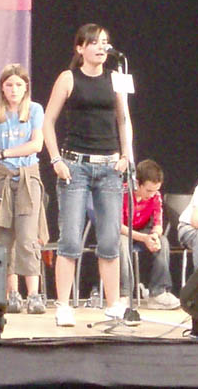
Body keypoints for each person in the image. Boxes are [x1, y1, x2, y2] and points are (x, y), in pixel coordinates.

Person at [43, 23, 131, 327]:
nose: (101, 47)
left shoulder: (116, 78)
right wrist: (56, 159)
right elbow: (48, 121)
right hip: (75, 165)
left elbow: (124, 120)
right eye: (94, 42)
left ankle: (114, 305)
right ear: (80, 48)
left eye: (105, 42)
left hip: (109, 167)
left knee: (110, 239)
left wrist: (126, 155)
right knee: (70, 238)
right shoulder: (69, 78)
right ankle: (63, 305)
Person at [0, 63, 48, 315]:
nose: (14, 89)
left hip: (27, 175)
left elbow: (36, 145)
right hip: (2, 176)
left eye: (19, 85)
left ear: (26, 87)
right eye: (9, 85)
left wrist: (4, 153)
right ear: (2, 87)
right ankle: (12, 294)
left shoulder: (34, 110)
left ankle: (34, 295)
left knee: (28, 237)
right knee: (4, 237)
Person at [120, 159, 180, 309]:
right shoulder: (122, 193)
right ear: (137, 183)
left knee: (163, 242)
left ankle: (158, 293)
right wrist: (144, 238)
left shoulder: (155, 196)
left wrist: (154, 236)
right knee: (121, 243)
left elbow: (158, 223)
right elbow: (117, 226)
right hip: (124, 232)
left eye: (155, 190)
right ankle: (124, 294)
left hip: (143, 231)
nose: (151, 194)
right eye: (148, 190)